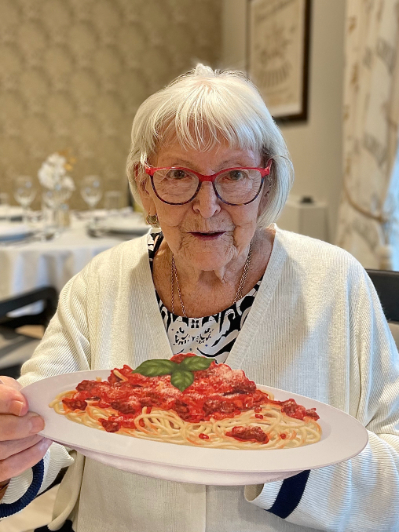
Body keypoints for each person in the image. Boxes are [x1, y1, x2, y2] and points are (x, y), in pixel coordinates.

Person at [0, 64, 399, 532]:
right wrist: (9, 451)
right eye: (177, 175)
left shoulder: (335, 282)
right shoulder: (100, 283)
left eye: (234, 175)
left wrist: (275, 455)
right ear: (145, 184)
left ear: (266, 182)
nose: (207, 206)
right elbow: (45, 430)